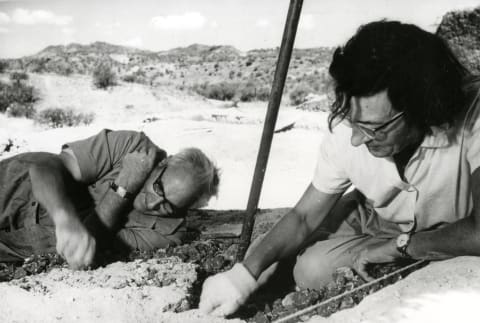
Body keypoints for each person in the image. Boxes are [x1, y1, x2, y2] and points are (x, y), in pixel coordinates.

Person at [199, 20, 480, 317]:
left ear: (425, 107)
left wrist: (403, 246)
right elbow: (304, 217)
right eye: (352, 122)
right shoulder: (351, 124)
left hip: (454, 227)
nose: (357, 138)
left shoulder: (474, 112)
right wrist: (240, 278)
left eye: (374, 129)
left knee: (312, 268)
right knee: (271, 258)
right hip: (378, 218)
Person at [0, 129, 219, 269]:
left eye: (168, 207)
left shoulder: (168, 233)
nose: (153, 203)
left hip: (21, 245)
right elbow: (45, 168)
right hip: (15, 187)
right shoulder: (133, 146)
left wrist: (124, 187)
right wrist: (63, 217)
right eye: (158, 188)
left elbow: (92, 240)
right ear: (163, 163)